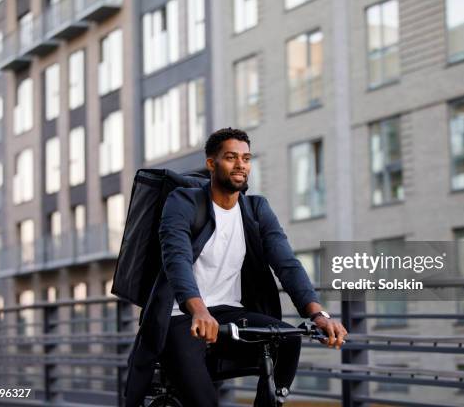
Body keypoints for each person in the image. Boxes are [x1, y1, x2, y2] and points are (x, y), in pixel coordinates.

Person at [124, 128, 347, 407]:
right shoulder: (183, 202)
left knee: (288, 340)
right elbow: (176, 259)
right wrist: (199, 310)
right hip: (181, 315)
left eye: (246, 158)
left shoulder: (256, 210)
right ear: (211, 163)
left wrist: (318, 314)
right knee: (205, 402)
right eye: (231, 157)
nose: (241, 164)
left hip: (229, 312)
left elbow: (287, 264)